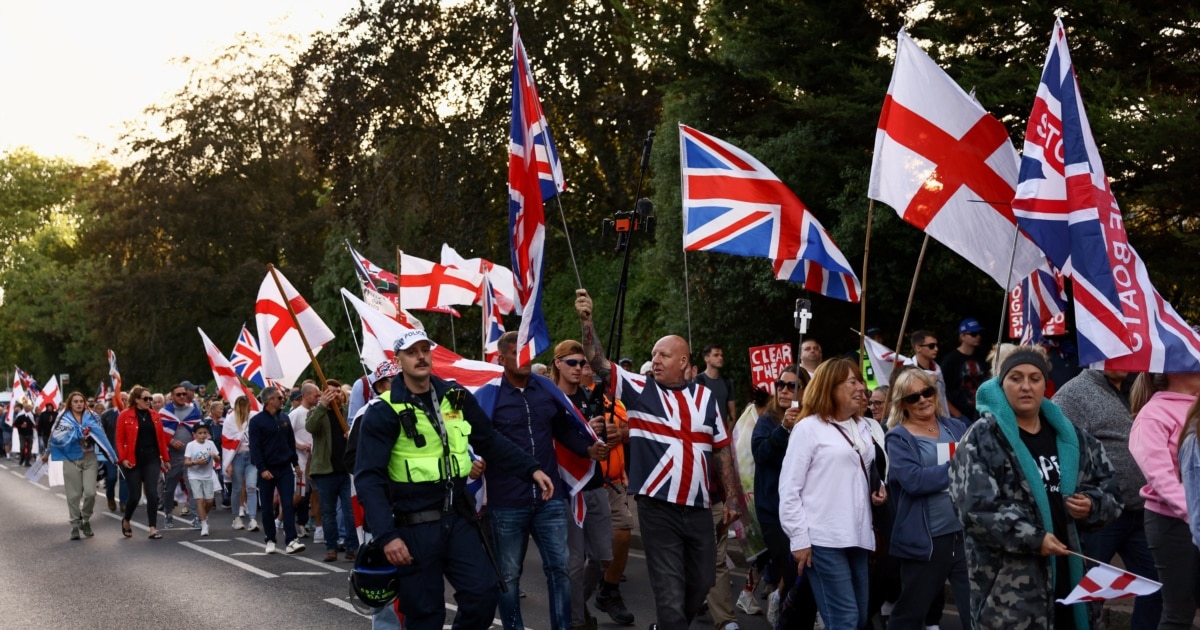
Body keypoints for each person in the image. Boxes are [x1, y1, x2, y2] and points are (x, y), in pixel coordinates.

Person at [355, 328, 555, 630]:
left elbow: (489, 440)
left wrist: (531, 468)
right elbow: (368, 479)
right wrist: (387, 536)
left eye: (425, 350)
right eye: (412, 352)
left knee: (483, 595)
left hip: (459, 517)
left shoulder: (455, 396)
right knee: (424, 614)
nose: (421, 357)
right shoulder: (384, 411)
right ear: (399, 360)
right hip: (413, 524)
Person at [575, 289, 743, 630]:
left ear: (684, 361)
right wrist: (587, 323)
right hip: (657, 507)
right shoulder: (639, 388)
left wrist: (731, 496)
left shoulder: (706, 399)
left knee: (702, 580)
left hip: (698, 508)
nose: (656, 361)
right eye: (654, 355)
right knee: (668, 594)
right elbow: (598, 363)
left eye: (664, 355)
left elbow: (722, 448)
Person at [948, 348, 1121, 630]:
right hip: (1012, 594)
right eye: (1015, 378)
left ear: (1045, 384)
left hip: (1074, 582)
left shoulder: (1073, 437)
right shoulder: (982, 438)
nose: (1026, 386)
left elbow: (1110, 490)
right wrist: (1033, 538)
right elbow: (976, 509)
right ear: (1002, 384)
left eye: (1035, 378)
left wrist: (1092, 504)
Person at [485, 331, 608, 630]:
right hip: (507, 501)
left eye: (527, 352)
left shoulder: (545, 389)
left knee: (561, 569)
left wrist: (586, 448)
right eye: (516, 354)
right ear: (501, 359)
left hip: (549, 498)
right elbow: (479, 439)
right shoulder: (490, 396)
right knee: (510, 575)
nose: (524, 359)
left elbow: (564, 430)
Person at [779, 359, 887, 630]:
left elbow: (863, 472)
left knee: (860, 616)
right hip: (824, 537)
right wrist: (799, 538)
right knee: (845, 620)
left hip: (858, 535)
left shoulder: (864, 426)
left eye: (860, 381)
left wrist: (878, 488)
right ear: (830, 387)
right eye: (852, 382)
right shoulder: (808, 428)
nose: (860, 387)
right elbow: (789, 488)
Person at [1053, 369, 1161, 627]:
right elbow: (1058, 449)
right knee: (1088, 594)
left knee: (1156, 585)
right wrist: (1081, 496)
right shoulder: (1073, 394)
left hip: (1141, 511)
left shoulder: (1141, 385)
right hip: (1100, 517)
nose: (1121, 360)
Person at [883, 369, 971, 630]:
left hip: (964, 534)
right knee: (910, 614)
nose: (922, 399)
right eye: (913, 397)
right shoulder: (898, 437)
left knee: (976, 609)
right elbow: (914, 481)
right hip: (927, 541)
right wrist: (958, 466)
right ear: (902, 404)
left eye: (927, 392)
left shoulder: (955, 426)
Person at [550, 339, 625, 629]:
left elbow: (603, 436)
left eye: (582, 363)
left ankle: (578, 600)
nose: (579, 368)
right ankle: (576, 621)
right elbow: (559, 434)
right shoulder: (550, 397)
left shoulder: (587, 396)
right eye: (572, 362)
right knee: (573, 563)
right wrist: (585, 438)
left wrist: (609, 434)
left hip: (594, 484)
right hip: (566, 489)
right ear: (558, 363)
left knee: (603, 557)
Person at [1129, 371, 1200, 630]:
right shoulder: (1153, 414)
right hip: (1172, 524)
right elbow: (1160, 476)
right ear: (1176, 372)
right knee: (1178, 612)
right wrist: (1194, 513)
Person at [751, 366, 817, 629]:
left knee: (804, 573)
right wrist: (784, 429)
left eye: (792, 386)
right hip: (772, 509)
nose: (785, 390)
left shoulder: (812, 420)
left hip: (804, 509)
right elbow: (762, 454)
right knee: (790, 569)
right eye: (781, 385)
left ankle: (787, 604)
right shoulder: (768, 420)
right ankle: (780, 599)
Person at [47, 391, 117, 540]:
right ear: (70, 404)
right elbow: (55, 436)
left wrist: (111, 454)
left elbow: (101, 436)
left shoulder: (93, 417)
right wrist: (47, 452)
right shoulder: (63, 418)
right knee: (74, 495)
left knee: (91, 493)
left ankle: (85, 519)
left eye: (81, 401)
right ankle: (74, 525)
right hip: (71, 458)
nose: (79, 404)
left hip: (90, 458)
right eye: (75, 401)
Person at [306, 379, 359, 562]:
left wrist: (351, 434)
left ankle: (352, 547)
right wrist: (322, 406)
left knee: (350, 510)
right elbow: (310, 427)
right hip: (325, 471)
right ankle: (331, 548)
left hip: (346, 470)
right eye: (330, 392)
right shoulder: (316, 412)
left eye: (337, 392)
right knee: (328, 512)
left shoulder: (347, 413)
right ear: (322, 394)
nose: (335, 395)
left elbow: (359, 431)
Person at [249, 385, 305, 555]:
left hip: (285, 468)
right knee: (267, 507)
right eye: (279, 398)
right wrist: (262, 468)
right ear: (269, 400)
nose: (283, 400)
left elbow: (290, 443)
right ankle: (270, 539)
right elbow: (255, 448)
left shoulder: (285, 418)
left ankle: (291, 540)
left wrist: (295, 464)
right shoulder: (257, 421)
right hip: (267, 470)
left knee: (287, 504)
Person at [116, 386, 171, 539]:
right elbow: (120, 440)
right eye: (145, 399)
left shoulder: (154, 415)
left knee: (152, 493)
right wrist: (123, 458)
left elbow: (161, 439)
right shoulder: (125, 415)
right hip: (132, 459)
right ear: (137, 400)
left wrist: (165, 459)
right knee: (134, 496)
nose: (149, 401)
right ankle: (126, 520)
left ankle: (153, 528)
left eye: (150, 399)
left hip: (151, 458)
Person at [161, 383, 202, 529]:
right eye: (178, 394)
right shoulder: (164, 412)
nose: (182, 396)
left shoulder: (193, 411)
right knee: (170, 487)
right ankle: (168, 515)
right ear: (172, 397)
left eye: (184, 394)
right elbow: (160, 434)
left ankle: (197, 517)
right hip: (172, 457)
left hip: (190, 457)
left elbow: (199, 431)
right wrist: (171, 441)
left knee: (192, 487)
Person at [223, 395, 259, 532]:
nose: (248, 408)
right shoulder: (230, 420)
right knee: (237, 488)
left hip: (252, 457)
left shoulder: (254, 416)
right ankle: (236, 517)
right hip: (236, 456)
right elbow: (227, 442)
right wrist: (229, 463)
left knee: (251, 487)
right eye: (245, 406)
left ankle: (252, 518)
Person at [941, 318, 987, 421]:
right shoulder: (950, 360)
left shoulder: (981, 357)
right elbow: (940, 391)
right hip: (960, 415)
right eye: (974, 334)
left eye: (979, 333)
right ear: (962, 336)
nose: (978, 337)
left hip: (981, 412)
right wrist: (957, 414)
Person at [184, 423, 221, 536]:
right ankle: (204, 524)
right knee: (199, 499)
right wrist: (196, 462)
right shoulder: (191, 445)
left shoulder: (211, 444)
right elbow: (186, 462)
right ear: (194, 434)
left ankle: (202, 516)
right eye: (200, 433)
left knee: (209, 501)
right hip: (194, 475)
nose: (202, 435)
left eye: (205, 433)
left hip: (208, 475)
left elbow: (218, 459)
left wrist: (214, 456)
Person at [905, 330, 950, 417]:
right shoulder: (909, 371)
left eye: (937, 345)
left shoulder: (937, 369)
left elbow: (943, 396)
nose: (936, 349)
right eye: (931, 346)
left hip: (944, 415)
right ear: (918, 348)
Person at [695, 343, 738, 423]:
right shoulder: (698, 381)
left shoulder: (727, 382)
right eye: (716, 355)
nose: (720, 358)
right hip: (704, 431)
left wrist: (727, 433)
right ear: (707, 358)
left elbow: (732, 412)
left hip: (724, 432)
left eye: (721, 355)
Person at [14, 402, 35, 466]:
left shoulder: (31, 415)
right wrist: (21, 426)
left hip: (30, 433)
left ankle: (27, 461)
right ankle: (22, 458)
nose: (30, 408)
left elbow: (33, 423)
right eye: (28, 407)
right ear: (25, 408)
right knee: (22, 447)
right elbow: (15, 424)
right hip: (22, 434)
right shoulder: (20, 415)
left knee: (29, 448)